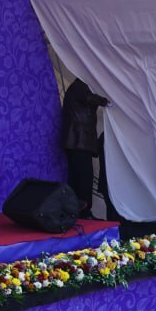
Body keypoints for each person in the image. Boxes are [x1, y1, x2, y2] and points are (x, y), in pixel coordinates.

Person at [61, 78, 109, 219]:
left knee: (75, 179)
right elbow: (89, 98)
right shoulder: (81, 85)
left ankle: (76, 211)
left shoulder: (76, 86)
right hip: (80, 141)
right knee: (84, 178)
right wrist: (107, 101)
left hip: (74, 142)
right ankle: (85, 211)